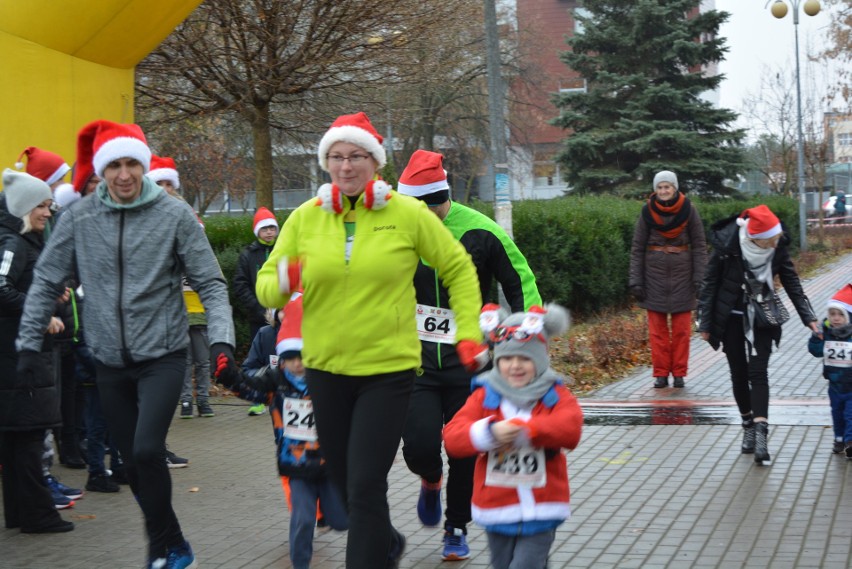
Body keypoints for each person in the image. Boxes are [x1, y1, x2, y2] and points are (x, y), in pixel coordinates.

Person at [250, 112, 486, 569]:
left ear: (374, 162)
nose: (345, 165)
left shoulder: (407, 214)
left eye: (356, 155)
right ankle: (386, 542)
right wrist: (285, 277)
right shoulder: (305, 218)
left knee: (364, 486)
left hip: (388, 370)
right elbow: (265, 287)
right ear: (326, 164)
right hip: (326, 370)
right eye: (336, 157)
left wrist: (470, 333)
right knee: (341, 482)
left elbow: (457, 268)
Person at [15, 119, 236, 569]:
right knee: (132, 464)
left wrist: (221, 343)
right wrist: (27, 342)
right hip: (109, 360)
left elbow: (212, 283)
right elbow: (45, 280)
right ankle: (172, 540)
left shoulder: (173, 215)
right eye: (113, 165)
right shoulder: (78, 217)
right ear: (101, 170)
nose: (123, 175)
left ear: (144, 165)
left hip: (164, 355)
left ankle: (158, 548)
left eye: (132, 164)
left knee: (145, 450)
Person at [395, 149, 542, 561]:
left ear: (445, 198)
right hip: (417, 362)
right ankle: (429, 478)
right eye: (422, 209)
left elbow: (520, 280)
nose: (431, 215)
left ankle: (456, 526)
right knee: (421, 445)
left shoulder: (480, 230)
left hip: (471, 363)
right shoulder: (396, 232)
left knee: (465, 449)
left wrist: (528, 332)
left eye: (437, 206)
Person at [443, 303, 583, 569]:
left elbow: (571, 428)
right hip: (496, 506)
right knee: (503, 564)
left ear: (540, 360)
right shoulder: (485, 395)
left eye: (525, 359)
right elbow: (452, 437)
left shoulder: (553, 394)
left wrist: (530, 430)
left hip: (543, 505)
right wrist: (489, 432)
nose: (515, 366)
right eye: (507, 359)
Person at [216, 292, 348, 569]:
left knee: (342, 520)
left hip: (328, 464)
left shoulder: (327, 379)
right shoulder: (274, 383)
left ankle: (383, 540)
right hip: (295, 464)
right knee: (302, 520)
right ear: (282, 358)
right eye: (290, 358)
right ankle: (300, 565)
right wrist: (229, 376)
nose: (297, 363)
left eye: (302, 357)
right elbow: (248, 387)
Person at [698, 204, 818, 465]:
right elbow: (710, 284)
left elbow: (792, 282)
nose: (776, 244)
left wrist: (808, 317)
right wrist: (705, 324)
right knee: (739, 374)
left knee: (758, 373)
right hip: (730, 317)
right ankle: (747, 425)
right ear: (755, 238)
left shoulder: (777, 247)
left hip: (763, 316)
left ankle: (762, 433)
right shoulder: (728, 246)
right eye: (770, 241)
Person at [0, 168, 74, 533]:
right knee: (27, 440)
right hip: (19, 362)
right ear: (24, 207)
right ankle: (38, 516)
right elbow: (1, 289)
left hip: (16, 359)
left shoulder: (22, 240)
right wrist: (41, 317)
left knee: (17, 441)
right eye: (42, 206)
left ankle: (20, 513)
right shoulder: (14, 243)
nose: (48, 212)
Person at [147, 155, 214, 419]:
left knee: (203, 360)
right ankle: (186, 400)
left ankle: (204, 400)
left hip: (198, 311)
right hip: (172, 313)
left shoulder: (185, 216)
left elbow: (210, 277)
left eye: (169, 183)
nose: (165, 189)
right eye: (159, 183)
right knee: (183, 361)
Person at [629, 170, 707, 389]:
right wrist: (636, 280)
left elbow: (700, 245)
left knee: (682, 331)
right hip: (653, 277)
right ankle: (661, 374)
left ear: (675, 188)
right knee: (657, 332)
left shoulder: (689, 210)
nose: (663, 191)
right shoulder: (647, 212)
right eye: (660, 187)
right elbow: (637, 248)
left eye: (667, 187)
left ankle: (679, 373)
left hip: (683, 277)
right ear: (655, 190)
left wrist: (701, 278)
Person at [234, 206, 279, 416]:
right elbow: (240, 285)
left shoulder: (284, 250)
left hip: (282, 317)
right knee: (260, 360)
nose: (270, 232)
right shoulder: (248, 255)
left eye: (273, 228)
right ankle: (258, 396)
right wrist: (258, 308)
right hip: (258, 317)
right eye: (265, 228)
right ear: (257, 231)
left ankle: (281, 391)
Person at [807, 284, 852, 458]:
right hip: (834, 384)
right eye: (832, 314)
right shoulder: (825, 333)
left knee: (850, 415)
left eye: (841, 314)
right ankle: (839, 439)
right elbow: (816, 351)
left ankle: (849, 442)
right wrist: (816, 337)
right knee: (837, 413)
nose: (836, 318)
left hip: (851, 384)